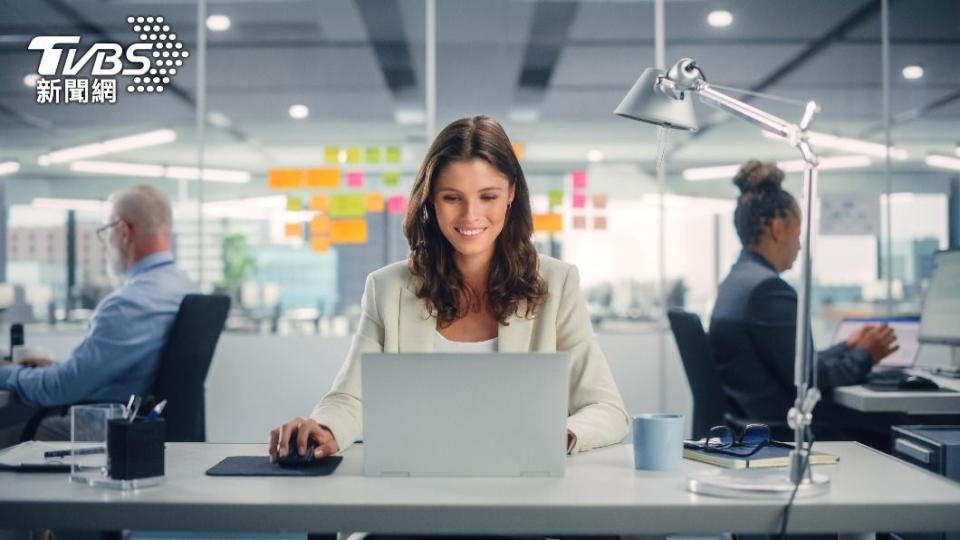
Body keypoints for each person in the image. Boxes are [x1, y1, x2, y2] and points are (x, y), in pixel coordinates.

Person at [270, 116, 630, 462]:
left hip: (523, 490)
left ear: (511, 195)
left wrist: (559, 435)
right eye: (452, 198)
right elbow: (351, 397)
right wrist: (324, 428)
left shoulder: (556, 283)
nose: (470, 215)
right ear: (430, 200)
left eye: (487, 196)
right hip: (414, 490)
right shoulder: (387, 288)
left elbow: (607, 409)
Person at [709, 160, 898, 442]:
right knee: (898, 425)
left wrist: (847, 346)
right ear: (776, 229)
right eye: (797, 234)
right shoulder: (768, 290)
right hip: (784, 429)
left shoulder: (737, 282)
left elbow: (795, 363)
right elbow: (809, 380)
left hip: (750, 422)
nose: (799, 246)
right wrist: (866, 355)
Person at [0, 185, 198, 446]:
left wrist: (7, 373)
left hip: (110, 427)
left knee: (8, 436)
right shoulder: (183, 287)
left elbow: (61, 388)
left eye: (106, 233)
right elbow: (100, 370)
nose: (107, 245)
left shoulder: (129, 304)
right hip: (142, 424)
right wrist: (55, 366)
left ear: (124, 232)